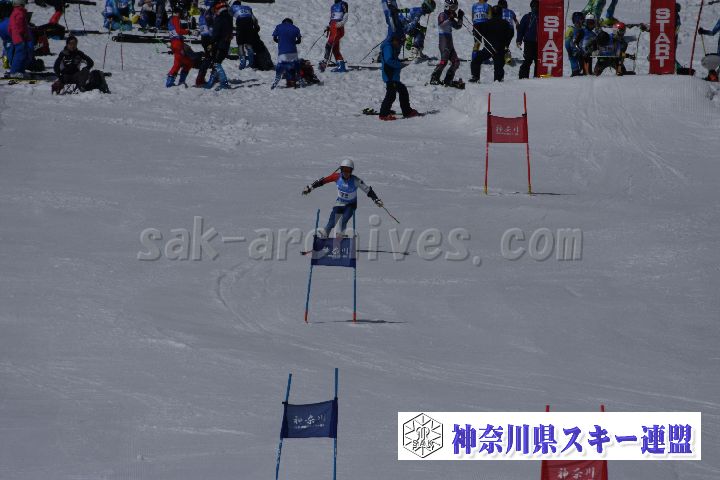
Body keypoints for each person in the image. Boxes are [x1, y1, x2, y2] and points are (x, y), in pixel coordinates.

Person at [301, 159, 384, 238]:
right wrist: (310, 187)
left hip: (351, 205)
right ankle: (325, 234)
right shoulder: (336, 177)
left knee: (344, 220)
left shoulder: (356, 180)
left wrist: (376, 199)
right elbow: (323, 181)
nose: (346, 173)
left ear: (351, 171)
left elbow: (368, 190)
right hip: (339, 202)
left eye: (349, 170)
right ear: (341, 170)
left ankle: (340, 235)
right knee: (332, 222)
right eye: (344, 170)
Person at [378, 32, 419, 120]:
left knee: (402, 90)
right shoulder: (388, 47)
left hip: (393, 76)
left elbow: (393, 60)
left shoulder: (392, 47)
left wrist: (402, 61)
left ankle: (407, 111)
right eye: (400, 42)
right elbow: (389, 60)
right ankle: (384, 114)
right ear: (395, 40)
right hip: (390, 75)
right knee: (391, 95)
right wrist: (400, 64)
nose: (400, 45)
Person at [470, 4, 513, 82]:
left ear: (492, 13)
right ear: (501, 13)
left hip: (488, 48)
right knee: (498, 66)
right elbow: (510, 34)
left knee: (476, 61)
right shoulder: (506, 23)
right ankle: (498, 81)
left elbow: (478, 31)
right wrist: (506, 44)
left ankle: (475, 77)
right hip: (500, 49)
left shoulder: (486, 23)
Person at [429, 0, 463, 87]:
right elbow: (441, 25)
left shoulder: (450, 16)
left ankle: (448, 79)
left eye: (455, 7)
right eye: (452, 7)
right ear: (447, 6)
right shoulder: (442, 14)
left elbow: (458, 26)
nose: (454, 9)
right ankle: (434, 78)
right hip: (443, 41)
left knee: (456, 62)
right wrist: (450, 19)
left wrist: (460, 17)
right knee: (444, 61)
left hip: (449, 42)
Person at [205, 0, 233, 89]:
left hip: (221, 43)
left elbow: (216, 33)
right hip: (226, 42)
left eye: (214, 9)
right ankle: (211, 81)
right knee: (217, 63)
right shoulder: (229, 16)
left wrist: (211, 42)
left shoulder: (220, 17)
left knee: (216, 63)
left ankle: (224, 83)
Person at [166, 6, 193, 87]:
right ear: (178, 13)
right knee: (178, 63)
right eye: (181, 13)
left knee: (188, 62)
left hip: (175, 43)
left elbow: (174, 32)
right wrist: (188, 32)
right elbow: (178, 31)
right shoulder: (175, 18)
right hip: (177, 43)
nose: (181, 15)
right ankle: (170, 82)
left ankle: (180, 81)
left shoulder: (171, 19)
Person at [271, 17, 302, 89]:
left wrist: (281, 42)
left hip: (282, 53)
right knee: (295, 67)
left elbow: (275, 39)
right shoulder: (296, 28)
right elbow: (299, 41)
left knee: (280, 68)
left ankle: (276, 82)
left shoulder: (278, 27)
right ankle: (299, 81)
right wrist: (292, 42)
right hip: (293, 52)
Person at [319, 0, 348, 72]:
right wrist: (329, 26)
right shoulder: (333, 6)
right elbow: (332, 18)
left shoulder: (343, 4)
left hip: (338, 28)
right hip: (333, 29)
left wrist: (342, 23)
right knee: (335, 49)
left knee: (329, 45)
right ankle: (341, 67)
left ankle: (324, 62)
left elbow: (346, 14)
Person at [230, 0, 260, 69]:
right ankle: (251, 62)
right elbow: (254, 19)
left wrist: (229, 28)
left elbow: (229, 19)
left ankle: (242, 63)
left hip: (240, 24)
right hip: (249, 24)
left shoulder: (233, 7)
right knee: (248, 44)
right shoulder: (247, 7)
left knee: (240, 44)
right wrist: (256, 27)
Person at [7, 0, 32, 78]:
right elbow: (19, 26)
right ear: (21, 4)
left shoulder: (14, 12)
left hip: (17, 37)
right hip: (19, 37)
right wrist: (23, 34)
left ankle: (20, 71)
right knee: (19, 55)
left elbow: (10, 28)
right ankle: (14, 72)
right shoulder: (19, 13)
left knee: (22, 54)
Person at [516, 0, 538, 79]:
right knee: (528, 60)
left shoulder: (543, 17)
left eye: (536, 6)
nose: (535, 8)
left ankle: (537, 76)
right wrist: (519, 40)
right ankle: (523, 77)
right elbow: (521, 29)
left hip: (540, 43)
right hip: (529, 42)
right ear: (531, 7)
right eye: (533, 6)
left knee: (538, 61)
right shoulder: (527, 17)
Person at [195, 5, 213, 85]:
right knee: (209, 58)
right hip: (208, 39)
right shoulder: (207, 16)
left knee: (210, 57)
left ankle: (202, 77)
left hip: (204, 39)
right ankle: (200, 78)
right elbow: (210, 27)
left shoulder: (201, 17)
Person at [497, 0, 519, 64]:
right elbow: (516, 21)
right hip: (511, 30)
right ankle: (507, 57)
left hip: (502, 29)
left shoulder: (498, 11)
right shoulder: (511, 11)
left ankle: (501, 56)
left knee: (499, 44)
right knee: (506, 44)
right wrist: (517, 26)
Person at [565, 11, 584, 76]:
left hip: (581, 49)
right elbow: (567, 41)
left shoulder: (582, 29)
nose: (582, 21)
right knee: (573, 58)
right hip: (574, 49)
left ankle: (582, 70)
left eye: (582, 20)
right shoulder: (571, 29)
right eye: (581, 20)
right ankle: (575, 71)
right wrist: (570, 50)